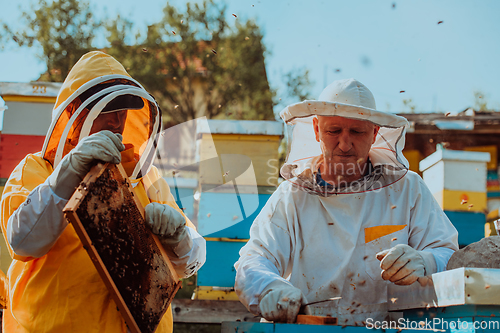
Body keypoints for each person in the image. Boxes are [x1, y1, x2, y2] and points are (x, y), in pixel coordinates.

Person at [0, 51, 206, 332]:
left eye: (123, 111)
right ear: (75, 112)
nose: (117, 121)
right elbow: (22, 240)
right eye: (107, 109)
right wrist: (68, 172)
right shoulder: (37, 170)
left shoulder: (147, 179)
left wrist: (179, 236)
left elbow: (193, 257)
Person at [234, 78, 458, 324]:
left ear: (374, 133)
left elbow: (449, 254)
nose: (344, 143)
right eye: (334, 131)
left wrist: (426, 261)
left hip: (386, 328)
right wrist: (269, 288)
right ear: (317, 130)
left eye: (356, 131)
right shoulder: (292, 195)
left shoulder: (407, 189)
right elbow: (254, 261)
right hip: (311, 329)